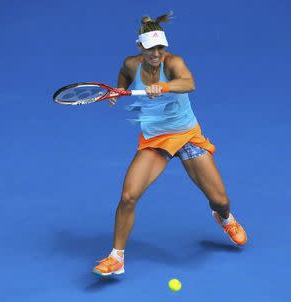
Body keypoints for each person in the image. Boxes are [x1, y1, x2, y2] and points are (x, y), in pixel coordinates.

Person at [93, 12, 247, 276]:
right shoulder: (131, 64)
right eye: (151, 48)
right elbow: (123, 74)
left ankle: (224, 218)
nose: (156, 53)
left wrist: (164, 86)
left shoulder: (174, 63)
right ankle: (116, 257)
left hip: (186, 136)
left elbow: (189, 83)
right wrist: (118, 91)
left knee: (220, 200)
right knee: (128, 196)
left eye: (160, 47)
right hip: (154, 140)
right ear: (140, 46)